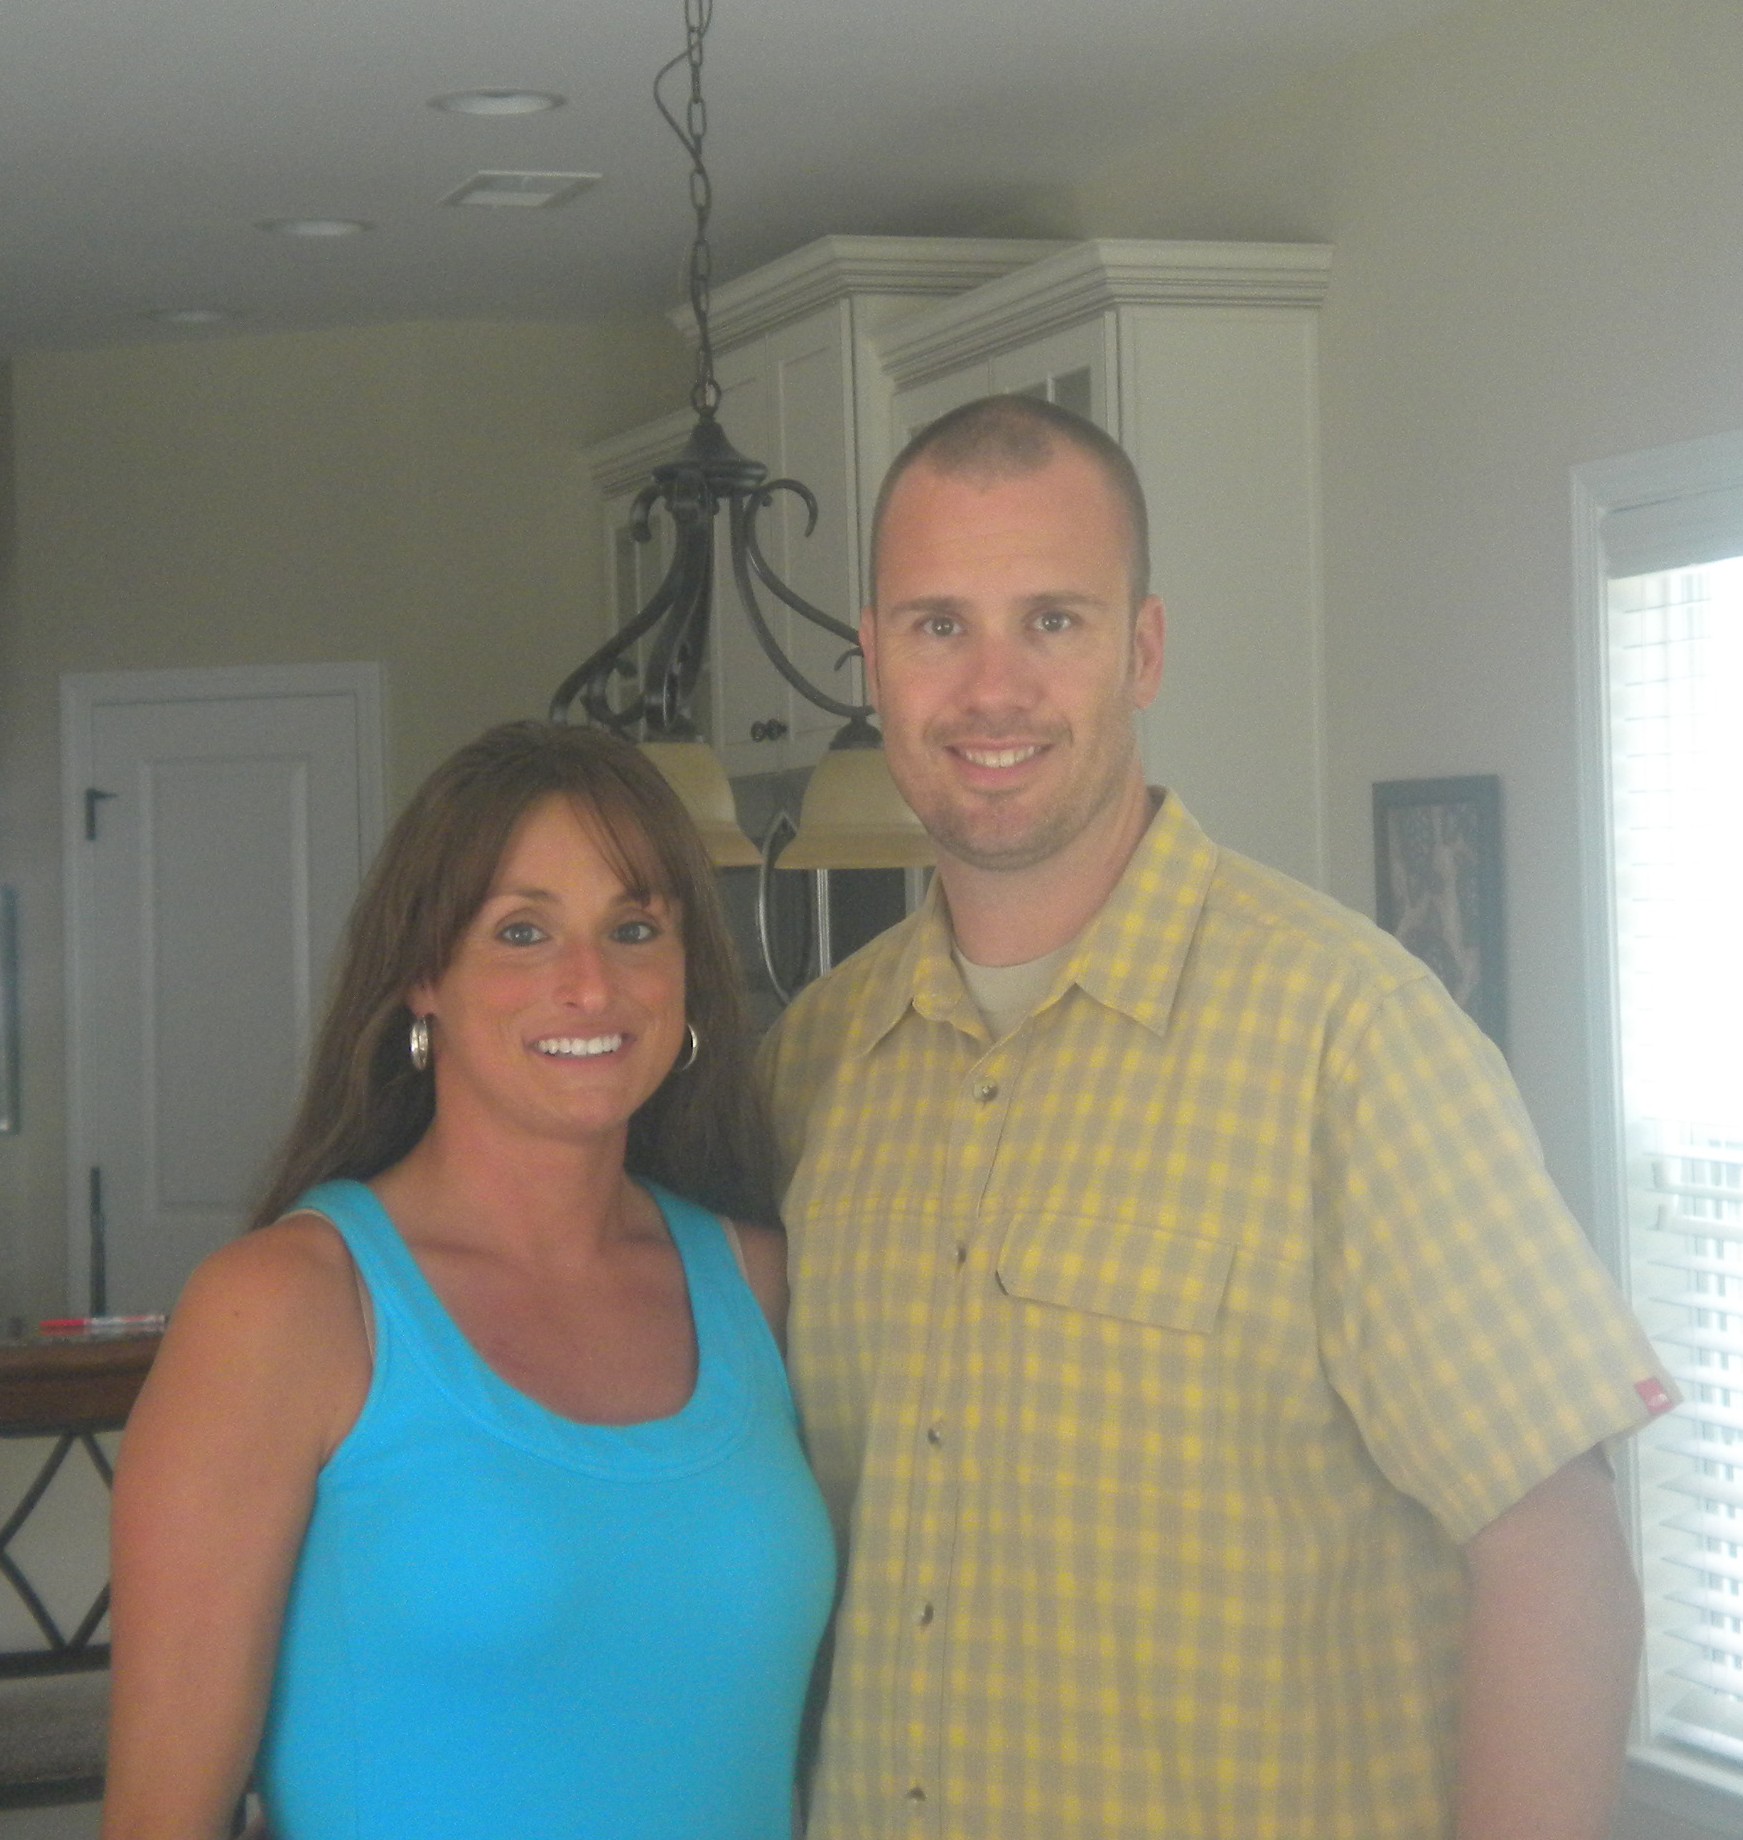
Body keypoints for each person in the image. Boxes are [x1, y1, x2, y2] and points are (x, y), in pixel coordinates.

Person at [758, 396, 1677, 1840]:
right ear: (873, 661)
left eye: (1052, 621)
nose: (992, 688)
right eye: (939, 626)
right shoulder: (812, 1065)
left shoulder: (1351, 1041)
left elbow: (1555, 1562)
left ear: (1142, 649)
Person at [104, 720, 835, 1840]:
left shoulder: (762, 1281)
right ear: (423, 976)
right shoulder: (287, 1309)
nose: (590, 983)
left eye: (635, 927)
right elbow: (161, 1817)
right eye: (523, 932)